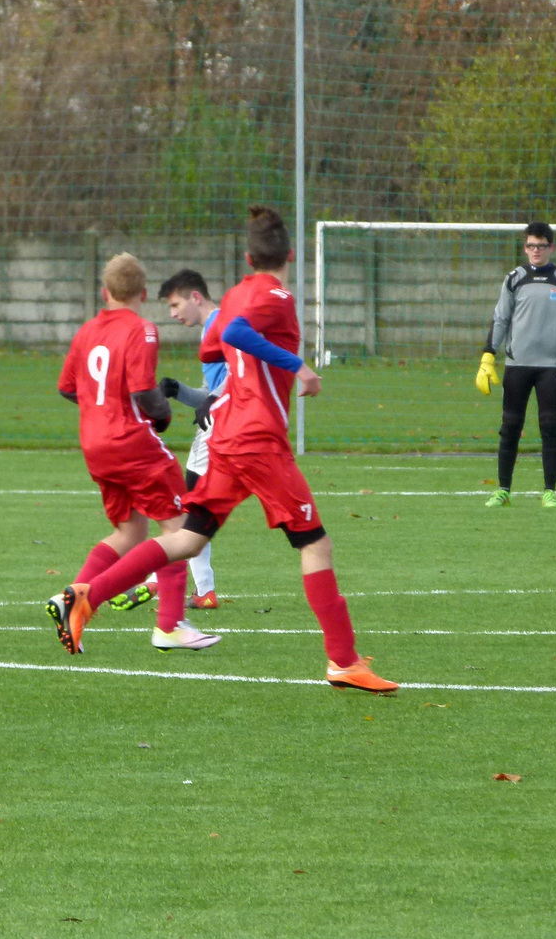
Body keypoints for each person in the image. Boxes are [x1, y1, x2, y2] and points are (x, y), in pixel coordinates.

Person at [46, 207, 397, 693]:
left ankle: (87, 596)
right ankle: (343, 660)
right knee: (315, 543)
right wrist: (297, 365)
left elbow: (212, 346)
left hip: (226, 437)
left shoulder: (234, 295)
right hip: (256, 439)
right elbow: (231, 335)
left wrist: (245, 366)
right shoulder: (275, 294)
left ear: (248, 258)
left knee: (189, 538)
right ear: (291, 255)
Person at [58, 254, 217, 652]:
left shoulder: (86, 331)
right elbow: (144, 389)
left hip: (94, 445)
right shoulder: (141, 329)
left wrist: (99, 409)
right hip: (129, 441)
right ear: (144, 294)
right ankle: (169, 625)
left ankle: (71, 597)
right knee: (180, 529)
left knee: (129, 531)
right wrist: (162, 417)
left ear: (104, 292)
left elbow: (67, 387)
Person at [477, 222, 556, 509]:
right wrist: (488, 356)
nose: (536, 251)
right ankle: (503, 490)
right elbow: (500, 319)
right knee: (510, 426)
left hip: (549, 367)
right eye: (531, 245)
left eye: (541, 246)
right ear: (525, 247)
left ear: (551, 247)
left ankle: (549, 492)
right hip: (517, 365)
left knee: (550, 426)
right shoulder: (514, 278)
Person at [155, 268, 227, 609]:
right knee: (197, 507)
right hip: (226, 424)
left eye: (175, 304)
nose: (173, 314)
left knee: (187, 509)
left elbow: (242, 373)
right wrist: (177, 390)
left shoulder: (221, 325)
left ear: (195, 297)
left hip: (219, 428)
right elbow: (210, 392)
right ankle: (203, 590)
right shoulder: (210, 328)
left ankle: (157, 577)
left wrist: (215, 399)